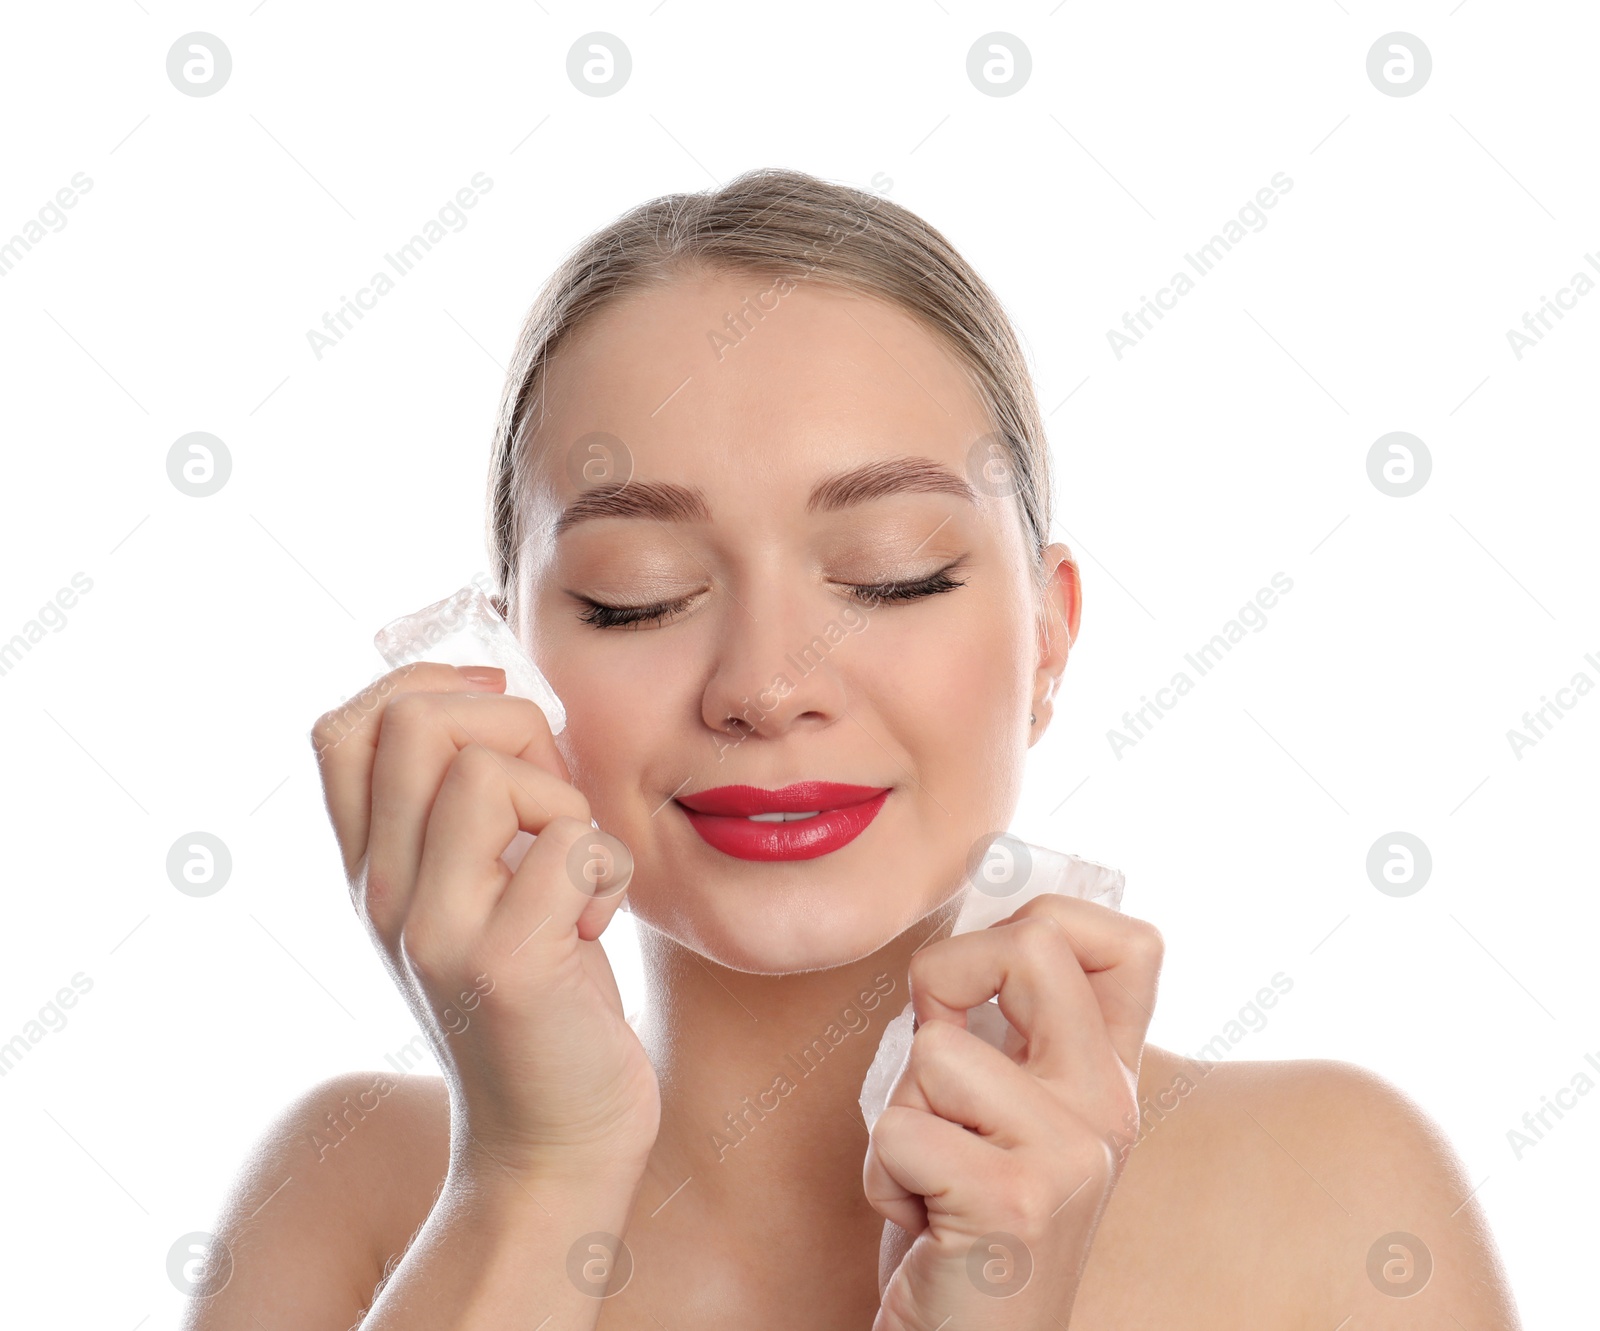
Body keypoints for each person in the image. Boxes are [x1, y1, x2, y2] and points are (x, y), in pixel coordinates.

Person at [183, 168, 1522, 1330]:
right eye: (635, 593)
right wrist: (538, 1173)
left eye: (891, 575)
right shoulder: (350, 1201)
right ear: (508, 664)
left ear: (1049, 642)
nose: (767, 687)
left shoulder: (1333, 1194)